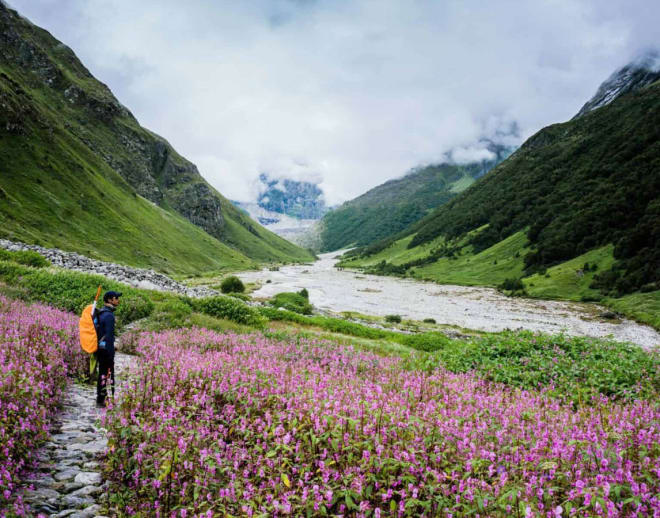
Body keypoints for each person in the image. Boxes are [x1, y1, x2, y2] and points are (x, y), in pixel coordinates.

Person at [96, 290, 121, 408]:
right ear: (110, 300)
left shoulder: (101, 312)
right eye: (116, 298)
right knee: (109, 375)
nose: (118, 300)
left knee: (102, 373)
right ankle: (106, 400)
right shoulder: (109, 315)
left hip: (100, 348)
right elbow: (109, 336)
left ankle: (100, 398)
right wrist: (112, 353)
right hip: (106, 350)